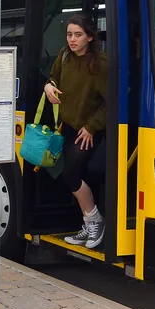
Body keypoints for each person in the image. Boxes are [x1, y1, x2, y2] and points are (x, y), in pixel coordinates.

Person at [44, 14, 110, 248]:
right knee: (70, 173)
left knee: (70, 174)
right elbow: (53, 78)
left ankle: (95, 221)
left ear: (90, 37)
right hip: (69, 127)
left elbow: (111, 100)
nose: (72, 40)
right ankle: (88, 223)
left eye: (78, 35)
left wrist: (92, 127)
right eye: (69, 34)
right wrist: (49, 87)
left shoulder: (101, 64)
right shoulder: (64, 57)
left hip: (89, 130)